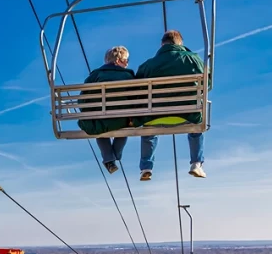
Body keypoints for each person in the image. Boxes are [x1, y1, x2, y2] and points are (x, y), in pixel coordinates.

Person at [134, 30, 208, 181]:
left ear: (162, 44)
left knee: (148, 131)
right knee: (197, 127)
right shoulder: (194, 59)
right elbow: (208, 85)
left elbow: (137, 92)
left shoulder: (147, 66)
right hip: (187, 115)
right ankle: (196, 163)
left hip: (154, 116)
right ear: (180, 43)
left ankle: (146, 167)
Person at [77, 46, 136, 174]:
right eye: (126, 59)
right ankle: (115, 155)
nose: (127, 63)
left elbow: (82, 99)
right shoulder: (129, 76)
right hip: (122, 120)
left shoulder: (95, 75)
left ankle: (109, 158)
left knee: (99, 129)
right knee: (126, 127)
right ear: (118, 60)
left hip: (100, 120)